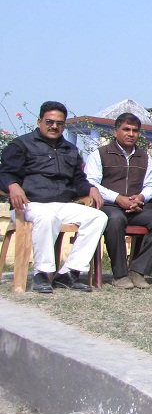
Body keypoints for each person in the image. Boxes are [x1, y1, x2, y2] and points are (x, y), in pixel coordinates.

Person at [0, 101, 106, 293]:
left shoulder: (70, 149)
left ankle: (69, 273)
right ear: (39, 121)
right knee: (47, 217)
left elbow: (78, 180)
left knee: (98, 217)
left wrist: (91, 188)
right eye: (49, 122)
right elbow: (5, 173)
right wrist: (12, 185)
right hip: (29, 205)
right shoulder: (20, 145)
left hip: (62, 204)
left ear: (64, 125)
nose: (54, 126)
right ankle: (42, 274)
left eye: (59, 123)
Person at [84, 113, 152, 289]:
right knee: (115, 219)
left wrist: (141, 197)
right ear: (115, 131)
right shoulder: (100, 154)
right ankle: (120, 275)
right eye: (126, 129)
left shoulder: (144, 157)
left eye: (135, 130)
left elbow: (150, 185)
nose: (131, 134)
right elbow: (91, 183)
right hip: (108, 206)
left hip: (135, 208)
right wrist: (117, 198)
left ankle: (138, 270)